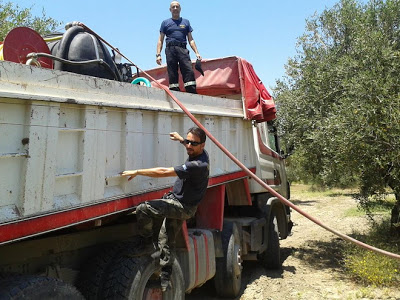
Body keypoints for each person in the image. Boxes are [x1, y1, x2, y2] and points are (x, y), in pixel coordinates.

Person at [120, 127, 209, 291]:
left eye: (193, 143)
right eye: (187, 141)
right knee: (166, 240)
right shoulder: (199, 152)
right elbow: (190, 143)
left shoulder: (198, 165)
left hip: (183, 207)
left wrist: (138, 171)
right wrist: (180, 139)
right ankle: (166, 279)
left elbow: (163, 172)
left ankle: (146, 244)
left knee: (144, 209)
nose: (188, 145)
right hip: (180, 201)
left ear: (202, 145)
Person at [156, 1, 202, 94]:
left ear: (180, 9)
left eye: (177, 7)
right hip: (170, 49)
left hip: (182, 49)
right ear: (170, 9)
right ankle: (175, 93)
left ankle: (191, 92)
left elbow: (191, 39)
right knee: (172, 71)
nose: (175, 8)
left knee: (188, 70)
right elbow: (160, 40)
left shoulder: (186, 22)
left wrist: (197, 52)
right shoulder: (165, 23)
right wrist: (158, 54)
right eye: (173, 7)